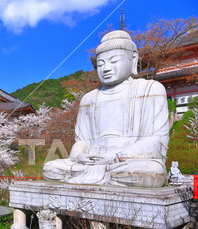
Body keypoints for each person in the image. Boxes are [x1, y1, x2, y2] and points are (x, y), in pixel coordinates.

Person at [43, 30, 169, 188]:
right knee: (50, 168)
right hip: (90, 163)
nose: (106, 69)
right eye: (100, 64)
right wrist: (79, 155)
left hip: (126, 162)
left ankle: (101, 175)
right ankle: (105, 176)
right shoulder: (89, 98)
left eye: (114, 61)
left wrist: (117, 157)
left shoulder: (150, 89)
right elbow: (82, 141)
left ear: (133, 59)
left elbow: (157, 140)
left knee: (152, 171)